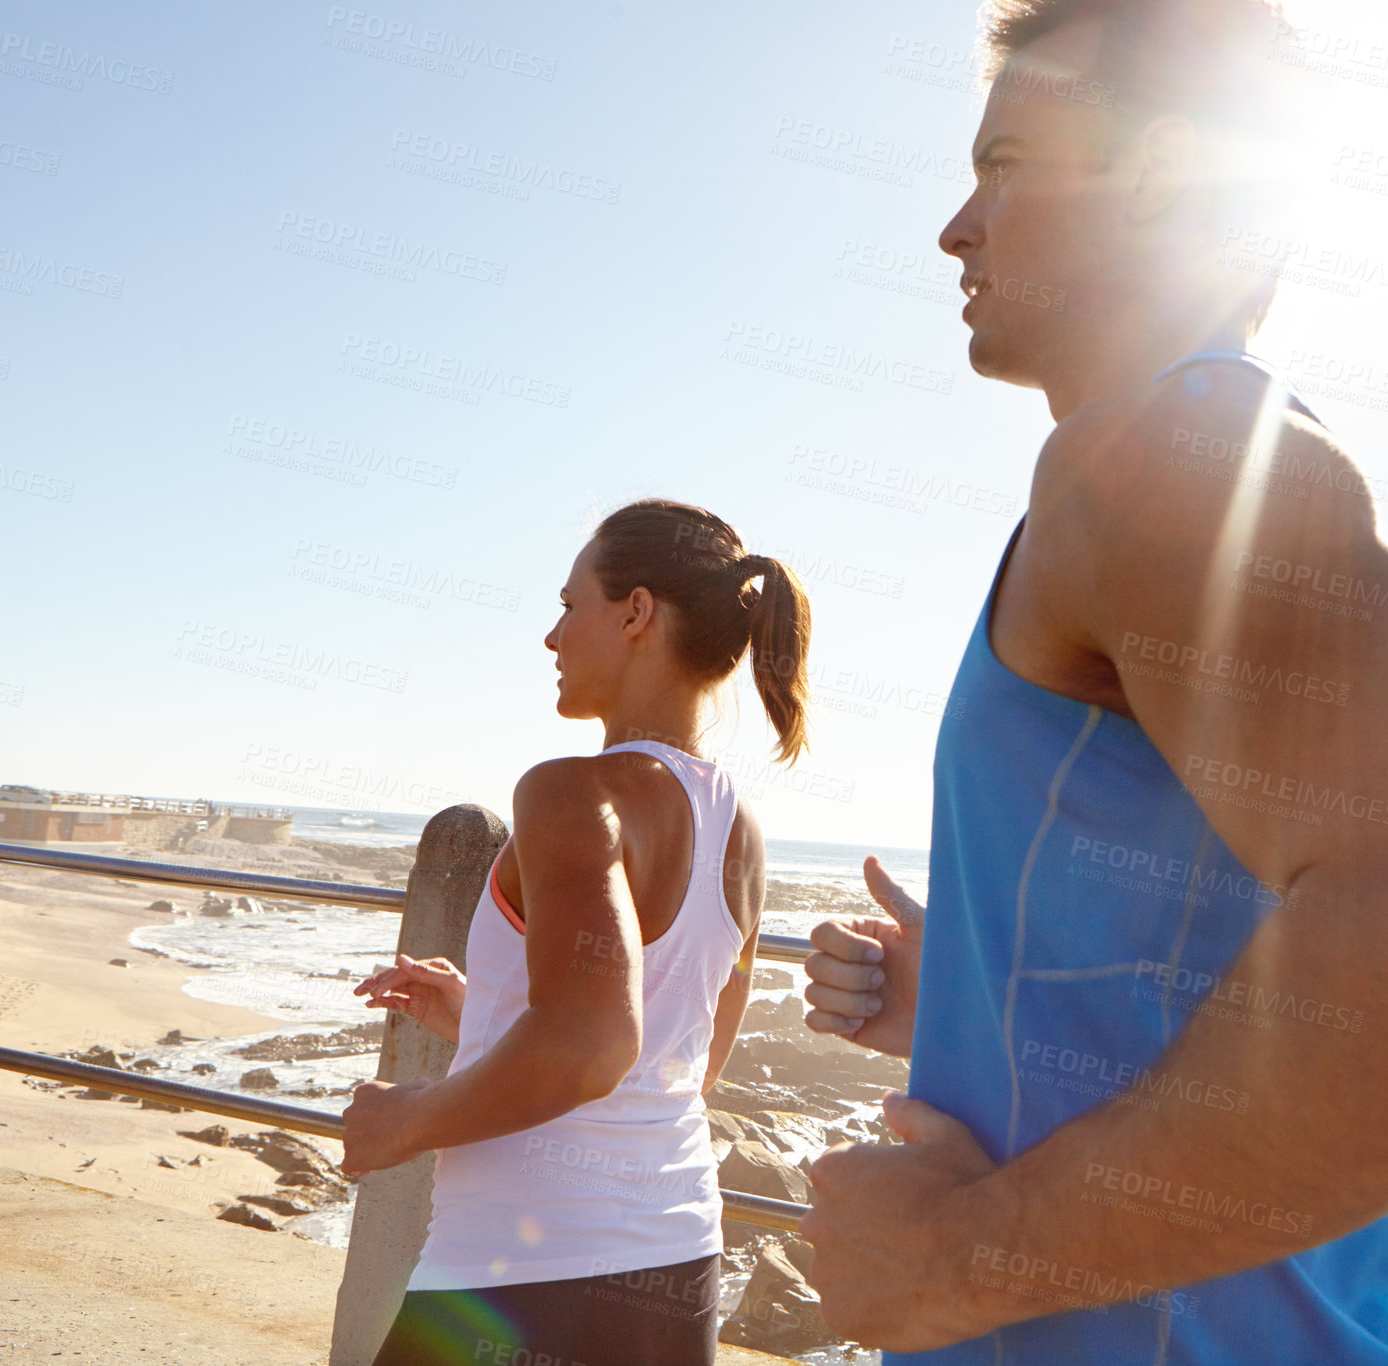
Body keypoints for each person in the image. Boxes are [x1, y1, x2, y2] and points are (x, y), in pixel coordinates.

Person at [800, 0, 1388, 1361]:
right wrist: (982, 1005)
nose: (955, 226)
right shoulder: (1166, 459)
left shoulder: (1175, 449)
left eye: (1002, 165)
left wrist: (951, 1257)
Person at [340, 498, 812, 1366]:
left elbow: (592, 1043)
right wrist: (484, 1014)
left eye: (567, 606)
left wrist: (403, 1123)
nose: (552, 638)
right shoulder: (738, 828)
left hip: (516, 1274)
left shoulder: (569, 793)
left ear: (635, 612)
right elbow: (680, 1063)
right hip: (673, 1263)